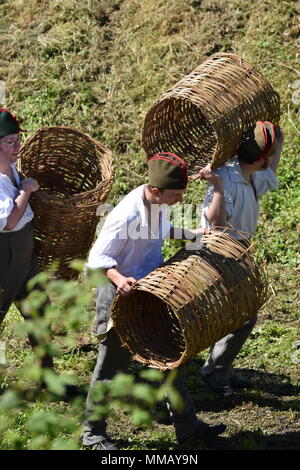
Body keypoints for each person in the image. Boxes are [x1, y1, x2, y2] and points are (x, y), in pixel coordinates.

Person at [82, 152, 226, 450]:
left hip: (152, 291)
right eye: (176, 196)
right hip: (122, 297)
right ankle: (92, 433)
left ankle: (187, 427)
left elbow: (159, 232)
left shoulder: (157, 201)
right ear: (157, 191)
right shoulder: (127, 215)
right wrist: (120, 279)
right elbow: (96, 259)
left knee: (173, 357)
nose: (178, 201)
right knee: (110, 369)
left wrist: (192, 234)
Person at [198, 121, 284, 397]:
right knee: (239, 316)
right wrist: (218, 188)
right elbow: (215, 223)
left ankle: (218, 368)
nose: (270, 161)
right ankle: (214, 372)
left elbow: (270, 171)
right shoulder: (226, 178)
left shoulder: (249, 172)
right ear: (259, 158)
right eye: (267, 156)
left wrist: (277, 141)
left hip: (239, 253)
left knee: (242, 317)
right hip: (221, 254)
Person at [0, 108, 52, 370]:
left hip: (24, 246)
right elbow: (8, 221)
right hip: (4, 251)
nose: (17, 147)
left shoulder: (10, 166)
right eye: (10, 142)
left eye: (17, 140)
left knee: (40, 310)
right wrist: (26, 189)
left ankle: (48, 378)